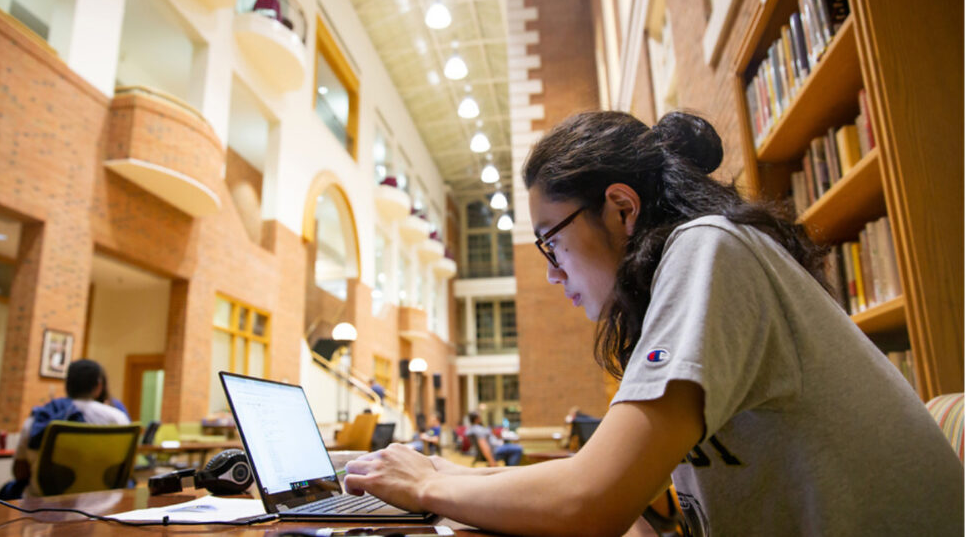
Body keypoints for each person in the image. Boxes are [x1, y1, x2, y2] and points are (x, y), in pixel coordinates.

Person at [342, 111, 963, 536]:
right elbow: (620, 492)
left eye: (549, 244)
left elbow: (592, 502)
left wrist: (428, 488)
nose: (553, 275)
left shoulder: (709, 250)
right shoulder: (697, 262)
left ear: (619, 208)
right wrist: (448, 474)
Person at [0, 358, 129, 499]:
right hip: (103, 502)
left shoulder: (39, 417)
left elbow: (20, 472)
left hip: (43, 504)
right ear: (99, 386)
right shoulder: (118, 419)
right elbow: (124, 470)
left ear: (67, 384)